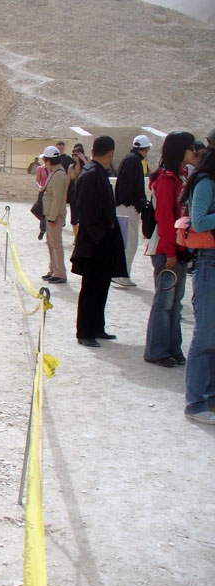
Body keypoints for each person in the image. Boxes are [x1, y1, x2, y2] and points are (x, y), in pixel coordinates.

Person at [144, 131, 196, 368]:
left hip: (179, 246)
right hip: (167, 248)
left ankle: (173, 347)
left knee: (176, 302)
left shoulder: (182, 176)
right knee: (164, 302)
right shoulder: (166, 179)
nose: (194, 152)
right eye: (190, 147)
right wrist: (171, 251)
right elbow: (165, 217)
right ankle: (157, 350)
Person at [70, 136, 128, 347]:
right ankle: (85, 331)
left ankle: (97, 327)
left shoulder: (97, 173)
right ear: (110, 153)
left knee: (101, 285)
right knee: (91, 288)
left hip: (101, 242)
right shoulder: (91, 174)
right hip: (95, 243)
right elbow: (87, 212)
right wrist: (100, 237)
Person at [183, 127, 215, 424]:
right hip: (209, 263)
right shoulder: (205, 182)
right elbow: (201, 218)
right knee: (205, 334)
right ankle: (195, 403)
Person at [113, 135, 153, 287]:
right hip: (127, 207)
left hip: (125, 207)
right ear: (145, 149)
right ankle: (122, 274)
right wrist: (136, 204)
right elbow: (127, 187)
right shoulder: (134, 162)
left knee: (126, 242)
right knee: (129, 242)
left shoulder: (130, 159)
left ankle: (121, 273)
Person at [40, 145, 70, 283]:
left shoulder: (58, 175)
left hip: (55, 215)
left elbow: (58, 198)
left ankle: (60, 273)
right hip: (51, 214)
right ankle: (53, 269)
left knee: (56, 244)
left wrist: (52, 217)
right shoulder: (55, 172)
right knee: (51, 243)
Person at [67, 143, 90, 240]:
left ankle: (82, 238)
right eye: (74, 153)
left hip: (84, 195)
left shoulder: (87, 163)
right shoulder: (71, 167)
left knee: (83, 218)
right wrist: (65, 195)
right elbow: (68, 182)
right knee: (74, 219)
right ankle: (76, 238)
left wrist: (83, 159)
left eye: (78, 152)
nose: (75, 155)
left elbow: (92, 169)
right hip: (74, 195)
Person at [34, 154, 49, 240]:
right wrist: (39, 187)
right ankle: (43, 230)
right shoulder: (40, 169)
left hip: (51, 191)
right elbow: (37, 181)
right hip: (43, 191)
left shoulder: (53, 169)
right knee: (43, 212)